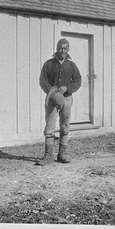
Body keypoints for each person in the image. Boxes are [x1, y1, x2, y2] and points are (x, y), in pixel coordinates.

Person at [36, 38, 81, 166]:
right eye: (60, 47)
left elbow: (77, 80)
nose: (63, 50)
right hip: (51, 98)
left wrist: (67, 88)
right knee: (50, 125)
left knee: (65, 124)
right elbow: (42, 80)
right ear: (56, 48)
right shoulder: (48, 64)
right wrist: (52, 91)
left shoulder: (72, 65)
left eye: (65, 48)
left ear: (68, 50)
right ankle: (48, 155)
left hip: (67, 98)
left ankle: (62, 153)